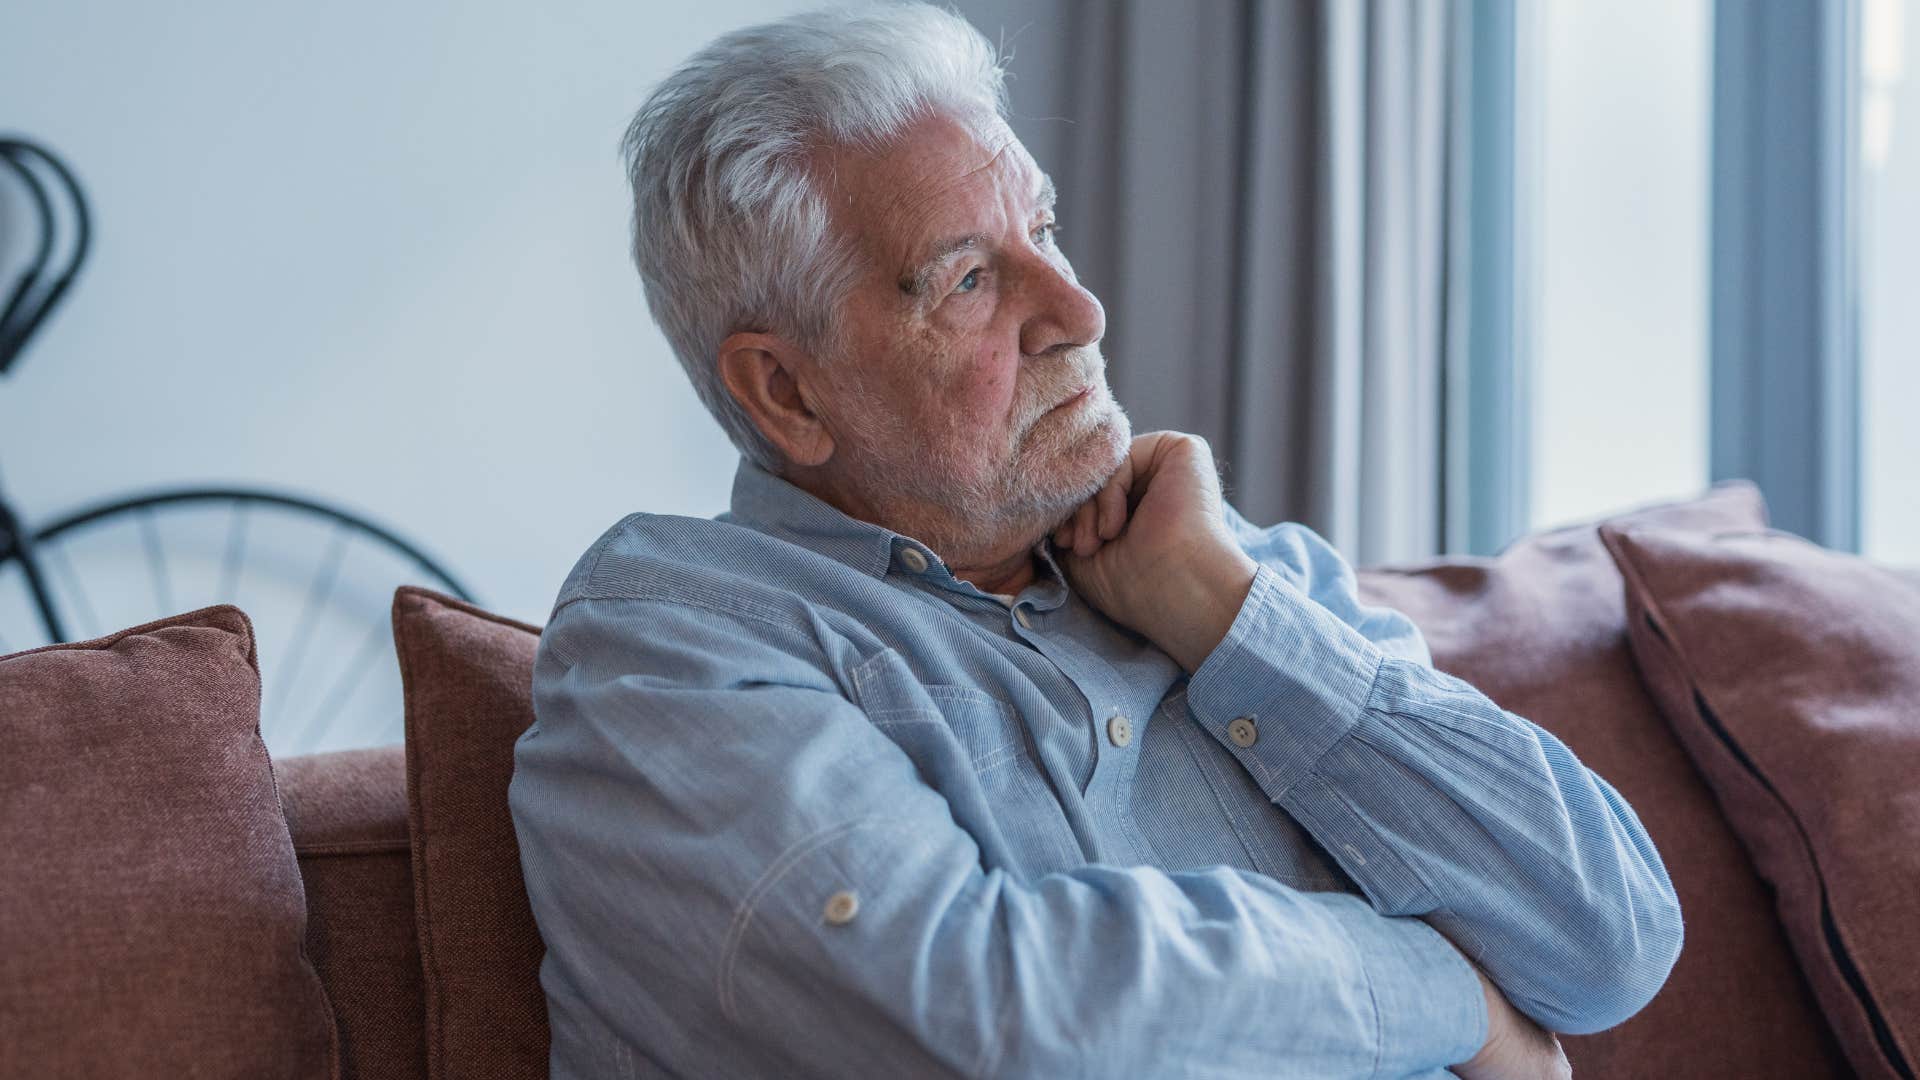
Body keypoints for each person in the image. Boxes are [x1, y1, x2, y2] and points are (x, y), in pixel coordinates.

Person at [508, 5, 1680, 1077]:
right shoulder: (670, 641)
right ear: (786, 395)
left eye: (1046, 229)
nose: (1078, 310)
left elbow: (1609, 942)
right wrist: (1455, 998)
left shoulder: (1235, 574)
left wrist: (1228, 616)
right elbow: (984, 1021)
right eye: (967, 278)